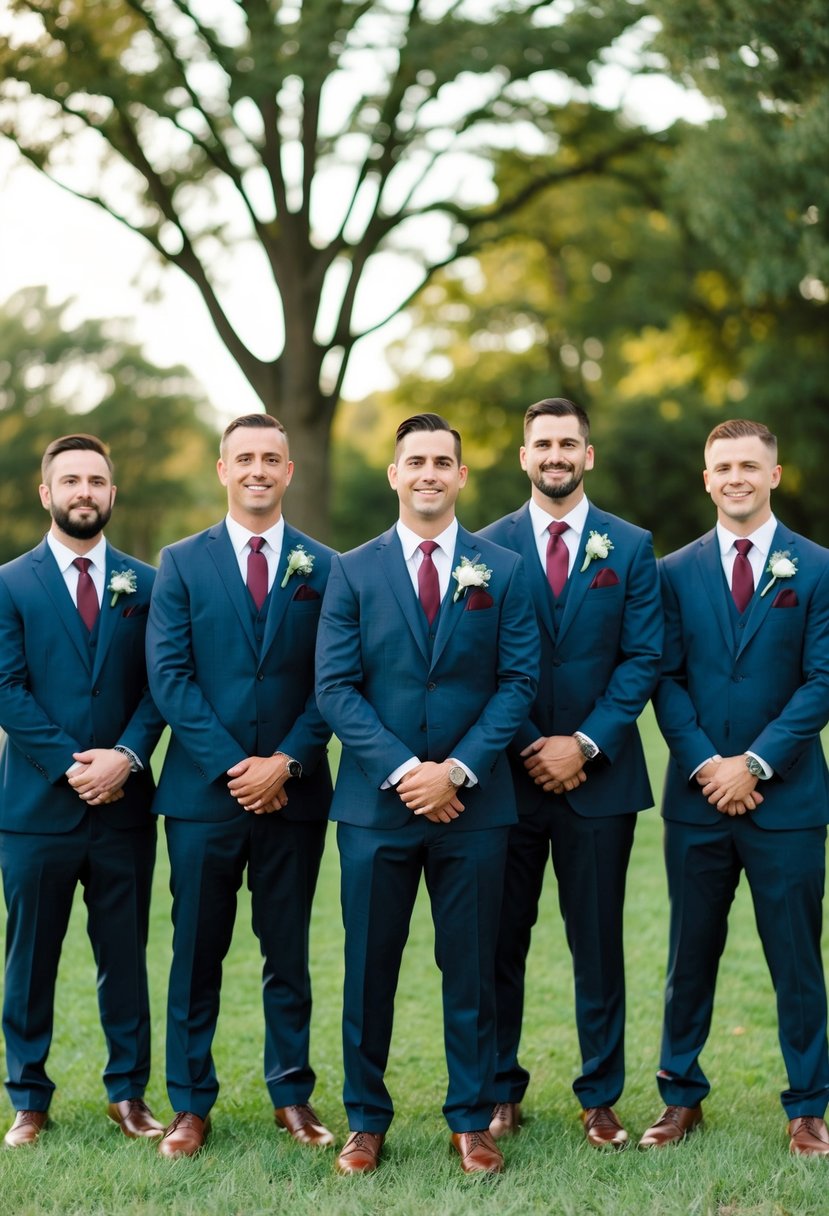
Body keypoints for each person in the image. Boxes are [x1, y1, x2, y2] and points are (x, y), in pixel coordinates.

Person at [315, 412, 538, 1177]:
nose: (429, 473)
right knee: (368, 967)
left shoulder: (501, 569)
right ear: (394, 474)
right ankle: (365, 1121)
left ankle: (471, 1119)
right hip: (376, 808)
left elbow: (517, 685)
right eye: (415, 461)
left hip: (475, 808)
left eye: (443, 461)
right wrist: (409, 771)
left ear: (462, 475)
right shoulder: (352, 570)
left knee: (471, 966)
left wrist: (459, 770)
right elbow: (335, 688)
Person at [146, 414, 336, 1158]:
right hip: (201, 797)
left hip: (294, 795)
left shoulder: (326, 567)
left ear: (288, 472)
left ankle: (292, 1095)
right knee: (196, 951)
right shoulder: (180, 564)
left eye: (271, 458)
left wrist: (283, 762)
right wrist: (237, 767)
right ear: (222, 470)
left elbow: (334, 679)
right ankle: (190, 1105)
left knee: (286, 951)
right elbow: (169, 675)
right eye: (244, 458)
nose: (258, 468)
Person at [641, 418, 829, 1155]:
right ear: (705, 478)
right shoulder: (672, 572)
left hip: (786, 801)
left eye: (748, 465)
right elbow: (664, 678)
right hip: (695, 800)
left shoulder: (815, 568)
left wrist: (752, 764)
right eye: (722, 466)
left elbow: (821, 681)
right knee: (689, 952)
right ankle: (679, 1098)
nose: (735, 477)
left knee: (795, 957)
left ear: (773, 475)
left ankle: (807, 1106)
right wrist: (707, 767)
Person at [479, 398, 663, 1148]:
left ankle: (600, 1096)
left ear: (587, 455)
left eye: (568, 444)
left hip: (600, 781)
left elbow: (642, 657)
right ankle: (497, 1089)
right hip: (508, 781)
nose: (554, 455)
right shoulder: (485, 548)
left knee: (597, 940)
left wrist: (582, 744)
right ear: (523, 456)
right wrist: (532, 746)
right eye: (541, 444)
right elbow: (479, 662)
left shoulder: (630, 547)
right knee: (498, 939)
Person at [0, 434, 164, 1147]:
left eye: (96, 480)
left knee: (123, 956)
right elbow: (6, 688)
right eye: (71, 480)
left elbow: (161, 688)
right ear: (47, 493)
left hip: (125, 807)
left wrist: (124, 757)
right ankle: (29, 1098)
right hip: (36, 808)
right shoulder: (8, 583)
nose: (84, 492)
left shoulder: (148, 584)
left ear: (111, 493)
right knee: (30, 957)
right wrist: (74, 765)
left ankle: (127, 1094)